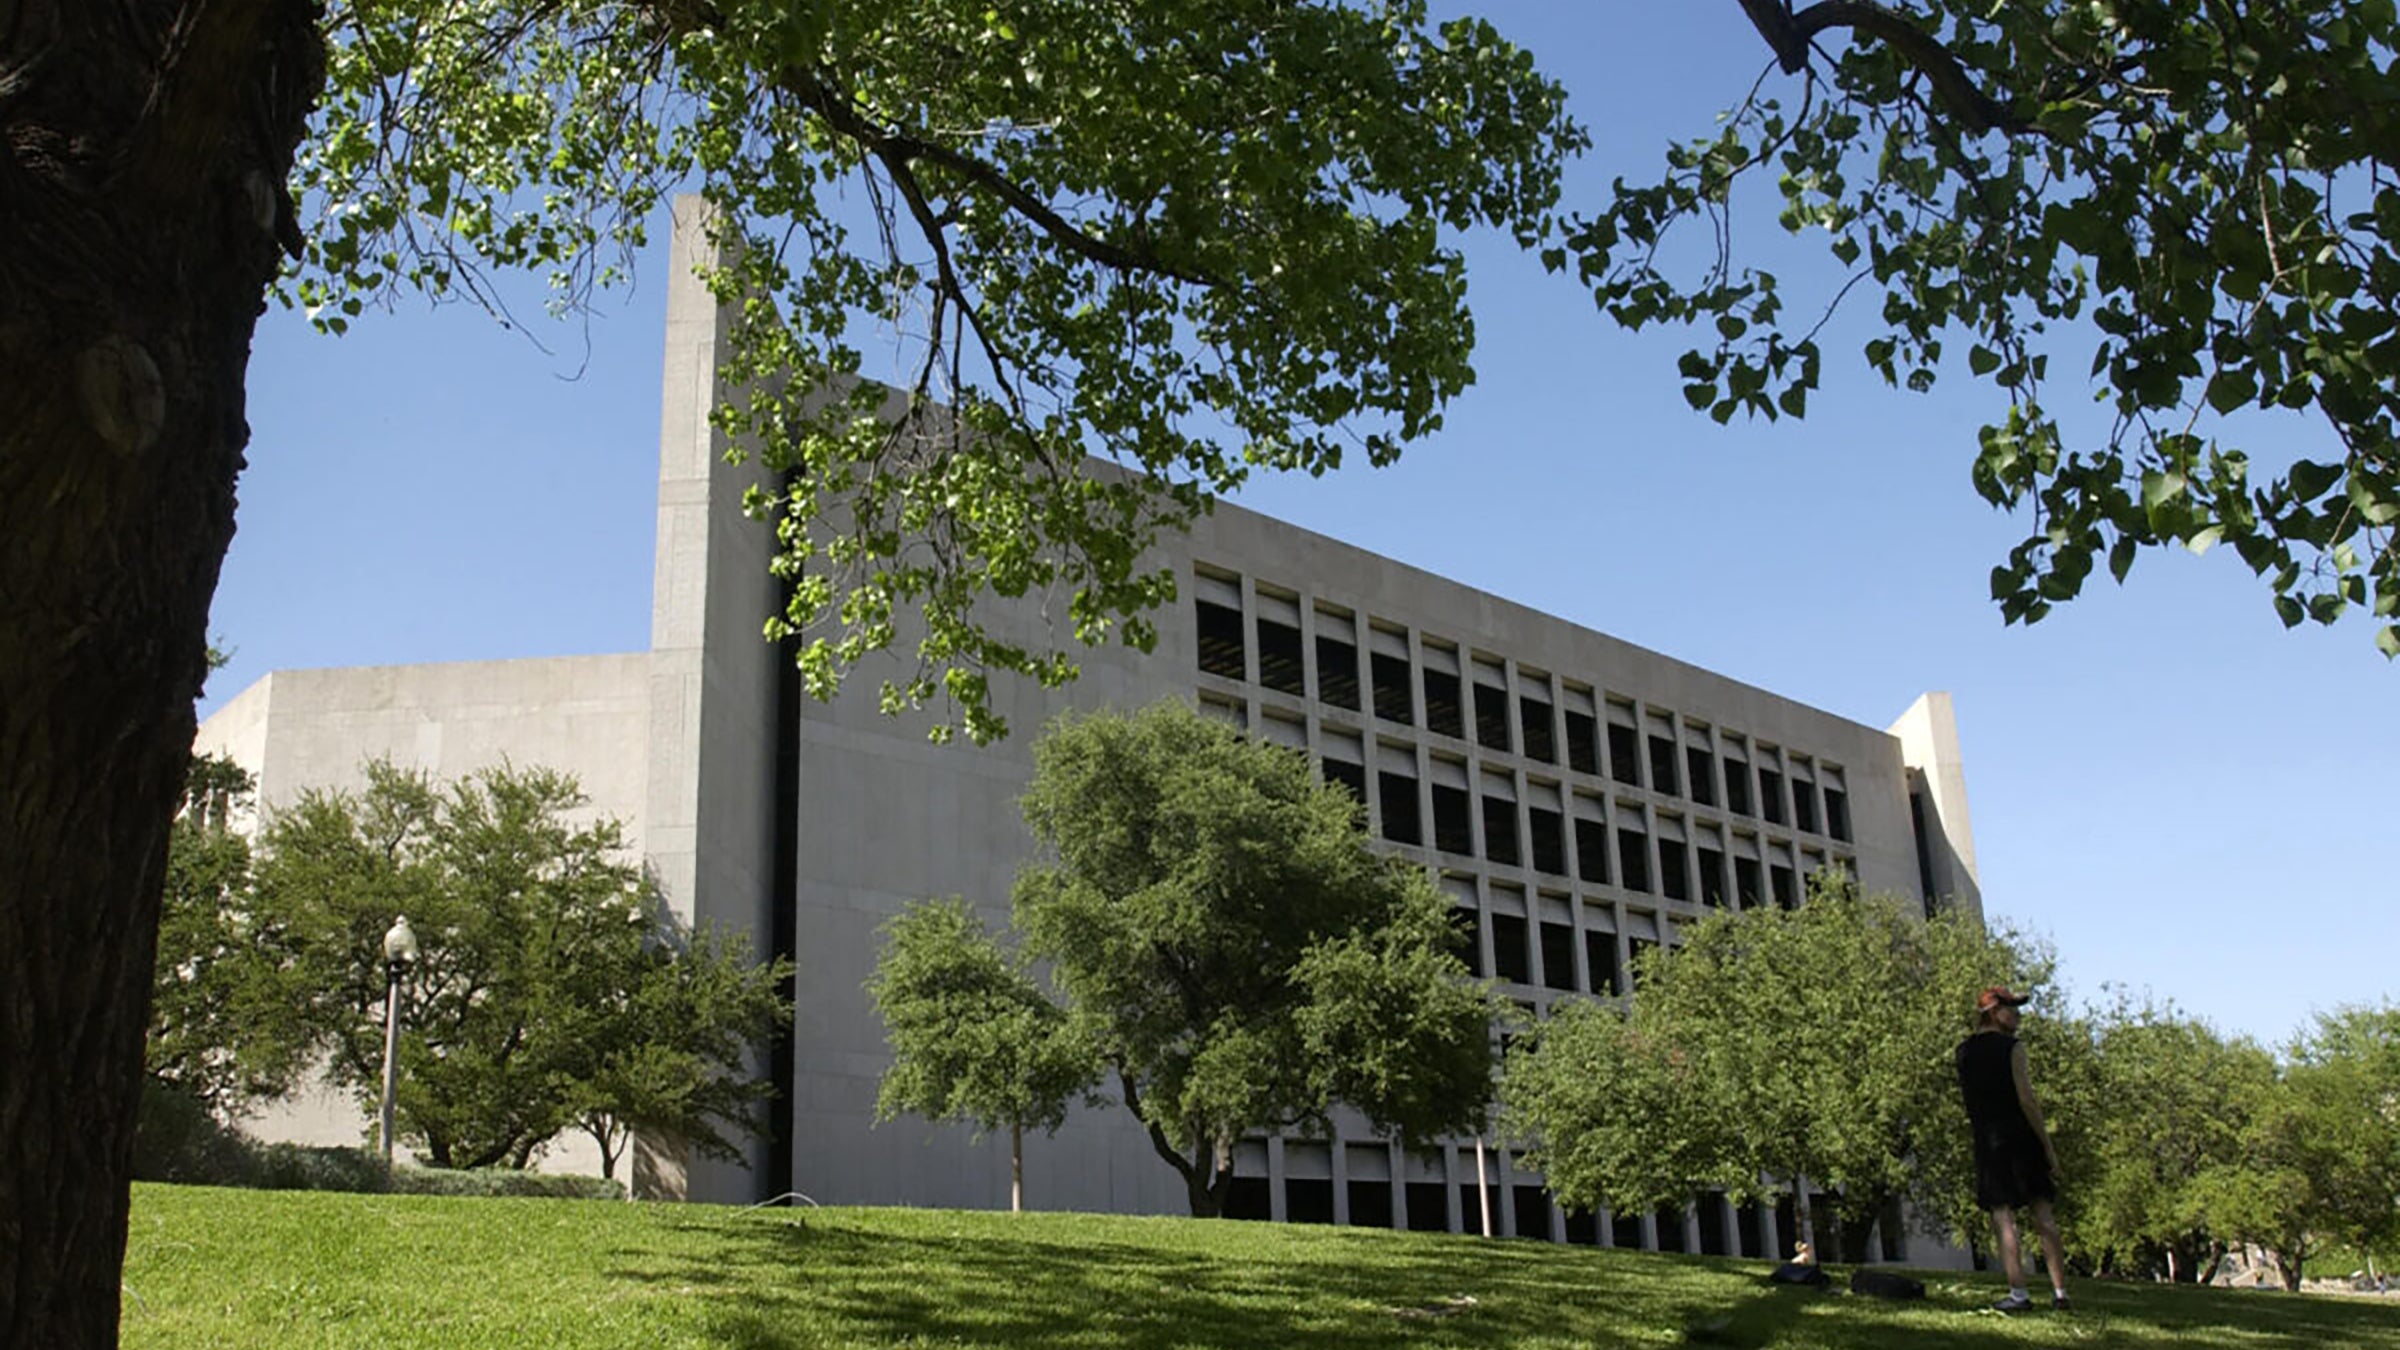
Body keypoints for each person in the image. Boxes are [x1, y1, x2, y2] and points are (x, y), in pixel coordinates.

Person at [1956, 986, 2068, 1313]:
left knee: (2003, 1218)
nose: (2017, 1016)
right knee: (2042, 1213)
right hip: (2019, 1135)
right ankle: (2060, 1292)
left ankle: (2018, 1293)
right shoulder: (2012, 1048)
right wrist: (2047, 1147)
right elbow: (2026, 1098)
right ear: (1994, 1012)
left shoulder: (1963, 1053)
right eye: (2011, 1009)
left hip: (1988, 1140)